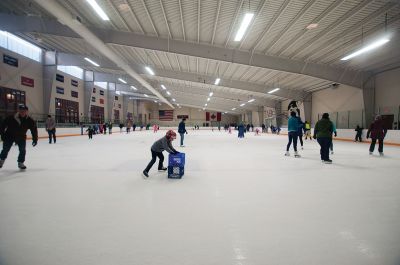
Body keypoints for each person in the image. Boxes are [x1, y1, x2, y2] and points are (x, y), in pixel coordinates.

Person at [0, 105, 38, 169]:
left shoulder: (29, 120)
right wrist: (2, 135)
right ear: (19, 111)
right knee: (5, 149)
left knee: (22, 150)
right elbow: (2, 126)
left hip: (21, 137)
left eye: (24, 111)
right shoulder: (11, 118)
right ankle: (1, 160)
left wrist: (35, 139)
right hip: (9, 136)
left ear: (27, 111)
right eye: (21, 111)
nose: (23, 112)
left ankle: (21, 162)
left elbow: (34, 130)